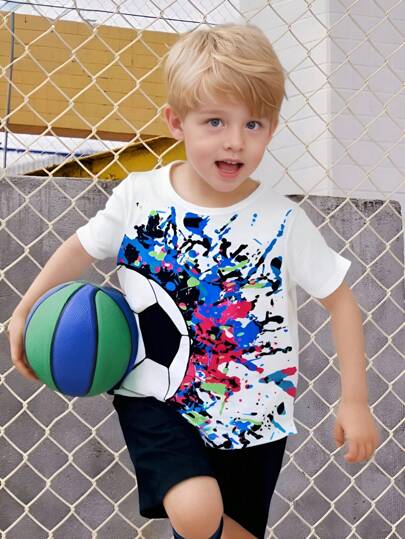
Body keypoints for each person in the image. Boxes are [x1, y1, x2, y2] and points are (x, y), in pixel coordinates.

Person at [8, 23, 380, 539]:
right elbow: (80, 248)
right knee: (197, 511)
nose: (235, 140)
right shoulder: (139, 197)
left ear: (272, 128)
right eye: (215, 121)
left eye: (253, 124)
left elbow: (341, 301)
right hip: (156, 397)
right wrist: (25, 309)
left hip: (253, 416)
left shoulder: (283, 220)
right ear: (176, 122)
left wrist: (355, 400)